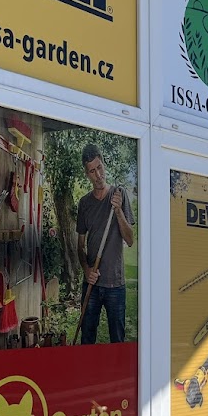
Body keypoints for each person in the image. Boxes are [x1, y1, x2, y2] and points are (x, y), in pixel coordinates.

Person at [77, 144, 135, 344]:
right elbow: (80, 246)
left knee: (117, 341)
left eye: (99, 167)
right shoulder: (84, 203)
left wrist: (118, 211)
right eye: (92, 171)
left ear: (104, 164)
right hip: (92, 283)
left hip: (114, 285)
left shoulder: (119, 194)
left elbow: (130, 240)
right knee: (87, 338)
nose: (98, 175)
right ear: (87, 174)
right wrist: (86, 270)